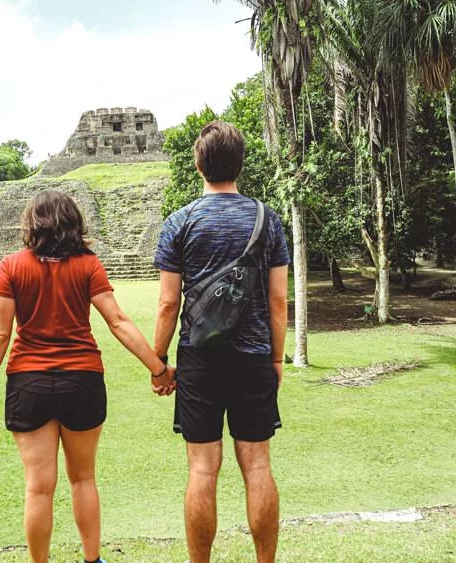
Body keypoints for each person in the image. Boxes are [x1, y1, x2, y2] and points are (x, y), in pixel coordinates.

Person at [0, 190, 175, 563]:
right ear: (72, 223)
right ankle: (92, 560)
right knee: (83, 478)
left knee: (38, 489)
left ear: (31, 224)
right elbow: (117, 321)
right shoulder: (87, 265)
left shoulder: (12, 266)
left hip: (28, 382)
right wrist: (159, 368)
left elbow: (0, 333)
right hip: (81, 380)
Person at [153, 121, 290, 563]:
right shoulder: (268, 220)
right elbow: (278, 300)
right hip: (252, 358)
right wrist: (275, 360)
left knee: (201, 468)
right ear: (240, 163)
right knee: (258, 465)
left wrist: (159, 360)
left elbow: (168, 304)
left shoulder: (180, 222)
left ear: (198, 164)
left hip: (200, 359)